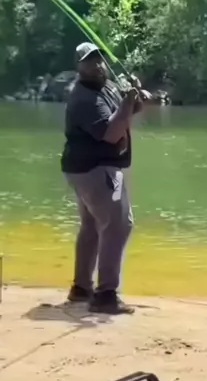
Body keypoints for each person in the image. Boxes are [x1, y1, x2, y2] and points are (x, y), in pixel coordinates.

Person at [61, 41, 149, 314]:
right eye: (89, 61)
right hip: (97, 171)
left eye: (99, 59)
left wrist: (135, 97)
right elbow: (111, 134)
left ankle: (81, 288)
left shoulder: (106, 87)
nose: (97, 65)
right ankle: (106, 295)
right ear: (79, 66)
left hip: (103, 169)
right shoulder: (84, 99)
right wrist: (128, 100)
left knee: (92, 224)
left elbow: (128, 111)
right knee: (118, 224)